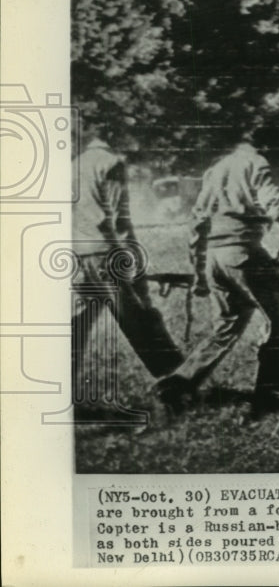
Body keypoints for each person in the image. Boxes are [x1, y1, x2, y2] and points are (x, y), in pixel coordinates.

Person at [154, 131, 279, 422]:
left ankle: (178, 384)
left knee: (226, 325)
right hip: (243, 254)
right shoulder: (255, 162)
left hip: (215, 256)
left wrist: (199, 268)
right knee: (277, 326)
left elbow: (198, 219)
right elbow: (275, 205)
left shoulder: (215, 170)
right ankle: (268, 399)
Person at [72, 129, 185, 414]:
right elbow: (116, 220)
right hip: (105, 256)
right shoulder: (110, 163)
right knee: (141, 323)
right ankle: (178, 388)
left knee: (77, 327)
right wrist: (132, 259)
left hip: (75, 255)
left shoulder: (74, 165)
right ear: (114, 136)